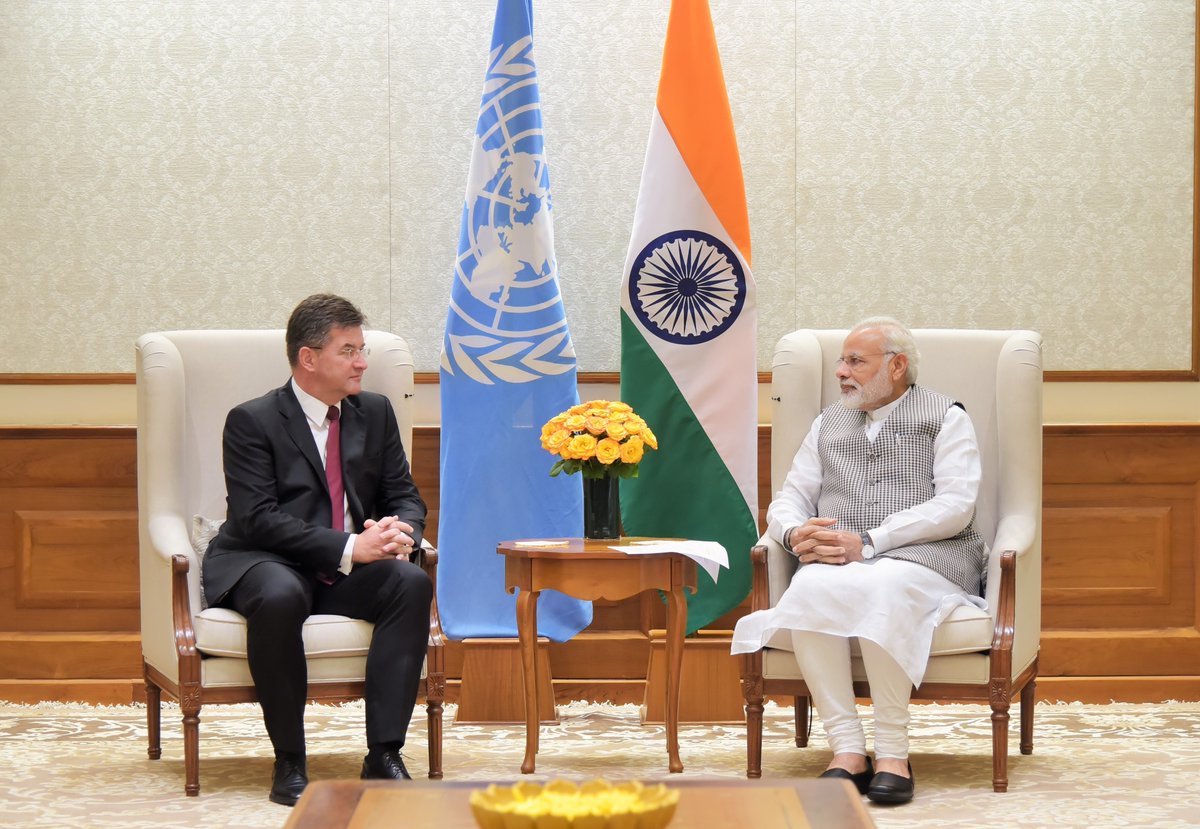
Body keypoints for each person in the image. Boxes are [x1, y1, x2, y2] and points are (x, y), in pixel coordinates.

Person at [731, 317, 987, 805]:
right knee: (808, 588)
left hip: (930, 556)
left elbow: (957, 505)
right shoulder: (827, 421)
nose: (841, 372)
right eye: (841, 361)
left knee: (883, 586)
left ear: (896, 366)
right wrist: (793, 531)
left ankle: (893, 751)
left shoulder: (945, 415)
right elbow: (789, 497)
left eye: (855, 361)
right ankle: (847, 748)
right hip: (839, 556)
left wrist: (870, 541)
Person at [202, 294, 433, 806]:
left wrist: (403, 533)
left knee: (410, 582)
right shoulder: (252, 420)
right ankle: (289, 761)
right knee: (281, 593)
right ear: (308, 358)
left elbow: (403, 494)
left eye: (362, 349)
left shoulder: (373, 412)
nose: (362, 363)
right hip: (267, 560)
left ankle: (384, 753)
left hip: (346, 567)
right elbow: (257, 519)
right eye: (348, 350)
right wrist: (352, 544)